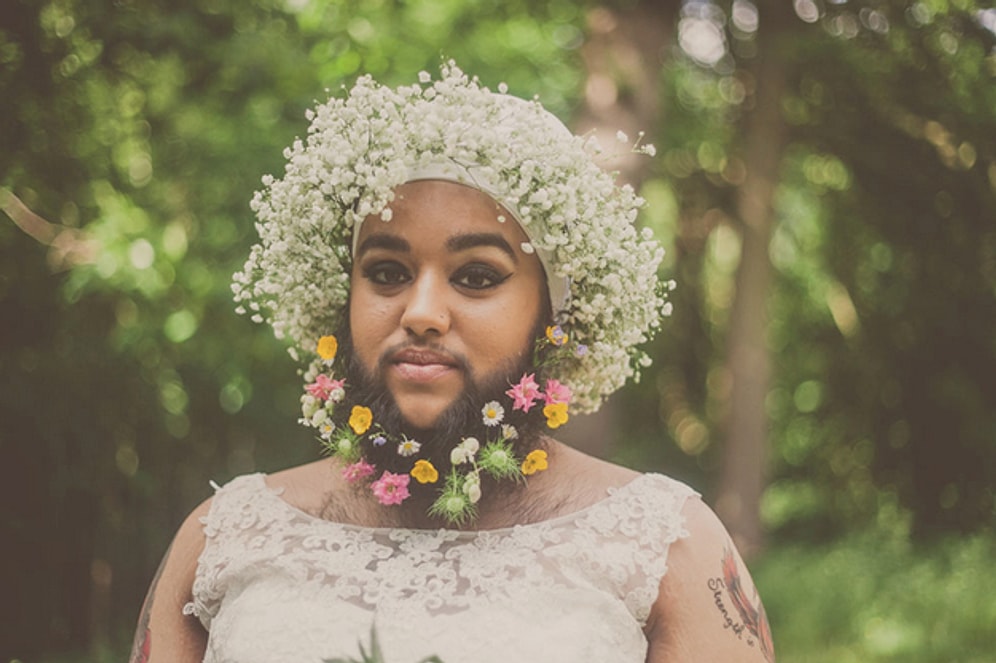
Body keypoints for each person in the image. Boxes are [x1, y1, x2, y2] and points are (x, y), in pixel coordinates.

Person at [131, 62, 774, 663]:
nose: (422, 312)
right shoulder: (224, 535)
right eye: (386, 272)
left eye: (475, 276)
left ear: (551, 318)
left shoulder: (666, 543)